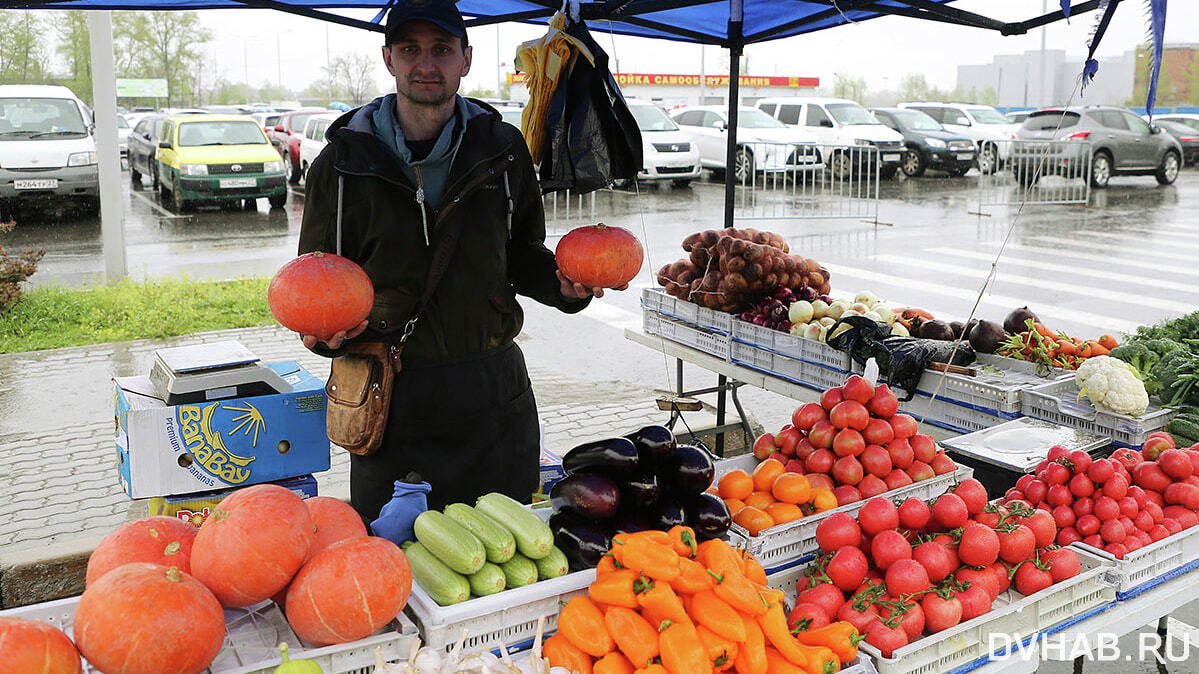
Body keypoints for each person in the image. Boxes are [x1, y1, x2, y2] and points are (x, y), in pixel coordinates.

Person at [298, 0, 621, 519]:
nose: (426, 63)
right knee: (396, 559)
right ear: (389, 59)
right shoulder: (341, 162)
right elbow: (317, 279)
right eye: (410, 49)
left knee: (510, 555)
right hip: (394, 394)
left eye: (442, 49)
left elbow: (524, 255)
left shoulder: (503, 149)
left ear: (465, 59)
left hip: (492, 391)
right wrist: (322, 335)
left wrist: (565, 288)